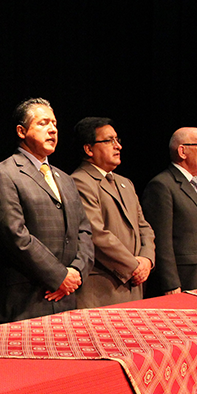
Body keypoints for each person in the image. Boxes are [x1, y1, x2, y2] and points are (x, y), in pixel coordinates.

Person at [0, 98, 93, 322]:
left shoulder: (65, 179)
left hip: (68, 296)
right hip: (28, 298)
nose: (52, 129)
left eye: (54, 123)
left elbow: (84, 231)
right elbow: (15, 235)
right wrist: (59, 276)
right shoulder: (3, 174)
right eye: (43, 123)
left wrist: (76, 273)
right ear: (21, 131)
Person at [70, 117, 154, 307]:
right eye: (109, 141)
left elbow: (144, 227)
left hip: (135, 285)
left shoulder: (126, 183)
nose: (118, 146)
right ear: (89, 149)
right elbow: (96, 234)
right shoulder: (79, 182)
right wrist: (134, 266)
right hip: (104, 290)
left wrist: (147, 259)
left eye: (118, 140)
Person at [142, 127, 197, 295]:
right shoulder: (162, 185)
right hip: (184, 280)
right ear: (182, 151)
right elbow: (161, 240)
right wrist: (170, 283)